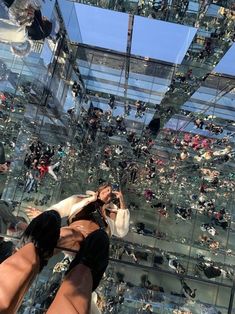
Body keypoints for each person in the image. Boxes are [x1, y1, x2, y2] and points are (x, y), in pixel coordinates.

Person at [0, 183, 130, 313]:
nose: (109, 192)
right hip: (77, 231)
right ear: (99, 190)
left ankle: (32, 251)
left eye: (111, 191)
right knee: (65, 236)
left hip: (93, 237)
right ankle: (36, 250)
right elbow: (58, 209)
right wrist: (42, 213)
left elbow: (122, 231)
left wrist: (122, 203)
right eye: (107, 189)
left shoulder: (112, 211)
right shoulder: (80, 199)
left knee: (93, 244)